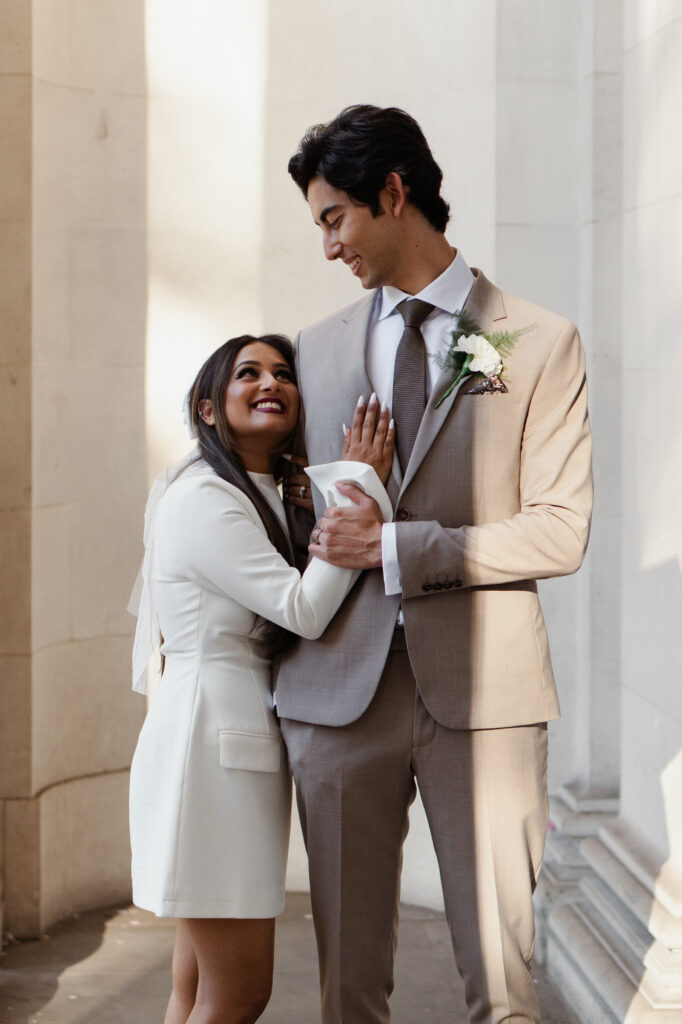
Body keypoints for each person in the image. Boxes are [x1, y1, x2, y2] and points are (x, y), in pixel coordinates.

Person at [276, 105, 593, 1023]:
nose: (329, 246)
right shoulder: (317, 348)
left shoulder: (531, 341)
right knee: (347, 992)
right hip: (337, 699)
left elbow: (559, 531)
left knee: (502, 986)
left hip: (486, 702)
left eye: (335, 218)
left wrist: (396, 548)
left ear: (394, 192)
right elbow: (286, 514)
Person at [128, 333, 394, 1024]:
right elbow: (303, 609)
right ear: (209, 409)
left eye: (282, 372)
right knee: (240, 995)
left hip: (217, 738)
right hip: (213, 750)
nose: (270, 381)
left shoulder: (256, 491)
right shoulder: (206, 500)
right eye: (247, 373)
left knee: (194, 994)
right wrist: (358, 489)